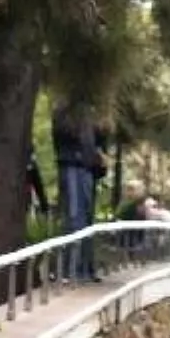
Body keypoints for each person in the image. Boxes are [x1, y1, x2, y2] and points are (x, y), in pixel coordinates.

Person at [52, 100, 106, 279]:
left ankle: (85, 268)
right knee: (74, 218)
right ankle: (70, 270)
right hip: (72, 166)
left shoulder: (91, 111)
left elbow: (99, 137)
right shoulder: (64, 109)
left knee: (87, 219)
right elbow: (63, 134)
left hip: (87, 168)